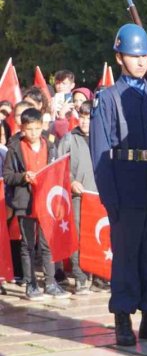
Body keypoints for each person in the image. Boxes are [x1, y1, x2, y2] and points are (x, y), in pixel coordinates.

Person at [90, 23, 147, 347]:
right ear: (119, 57)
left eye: (144, 56)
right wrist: (110, 197)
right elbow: (100, 151)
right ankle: (123, 317)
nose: (140, 61)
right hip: (125, 184)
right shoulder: (108, 98)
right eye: (133, 55)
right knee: (126, 255)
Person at [2, 107, 67, 300]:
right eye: (29, 129)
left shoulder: (50, 145)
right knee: (27, 244)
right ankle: (31, 284)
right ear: (22, 128)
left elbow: (56, 170)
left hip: (45, 202)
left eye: (37, 129)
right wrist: (23, 177)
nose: (34, 133)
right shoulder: (15, 148)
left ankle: (50, 282)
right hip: (25, 202)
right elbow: (7, 176)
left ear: (42, 127)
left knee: (47, 245)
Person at [56, 102, 97, 295]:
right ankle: (80, 277)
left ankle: (98, 275)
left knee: (99, 236)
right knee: (78, 236)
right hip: (78, 197)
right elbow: (58, 166)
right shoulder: (69, 139)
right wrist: (71, 182)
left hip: (100, 197)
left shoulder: (104, 138)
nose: (84, 121)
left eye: (88, 117)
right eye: (81, 116)